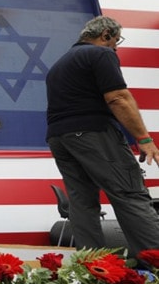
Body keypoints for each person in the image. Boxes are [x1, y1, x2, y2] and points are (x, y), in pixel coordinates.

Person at [46, 15, 159, 263]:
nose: (116, 47)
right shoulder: (101, 55)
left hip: (59, 138)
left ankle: (94, 271)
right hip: (93, 133)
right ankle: (156, 263)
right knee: (130, 193)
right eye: (115, 40)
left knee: (82, 203)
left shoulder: (58, 66)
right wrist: (144, 139)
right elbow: (118, 98)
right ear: (105, 34)